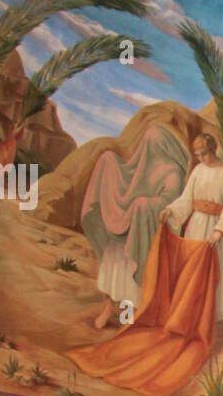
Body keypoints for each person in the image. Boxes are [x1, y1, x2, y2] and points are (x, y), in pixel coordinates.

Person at [80, 123, 189, 329]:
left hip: (145, 233)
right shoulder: (141, 165)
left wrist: (141, 207)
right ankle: (108, 308)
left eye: (153, 143)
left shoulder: (172, 171)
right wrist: (109, 163)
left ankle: (131, 316)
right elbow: (125, 182)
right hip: (128, 228)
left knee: (132, 274)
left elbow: (170, 202)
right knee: (113, 262)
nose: (148, 147)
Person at [159, 132, 223, 319]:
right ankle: (191, 309)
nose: (201, 158)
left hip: (216, 229)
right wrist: (170, 210)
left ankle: (211, 313)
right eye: (197, 154)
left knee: (214, 271)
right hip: (196, 227)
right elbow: (186, 199)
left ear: (212, 150)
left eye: (203, 153)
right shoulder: (198, 171)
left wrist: (219, 232)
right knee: (191, 270)